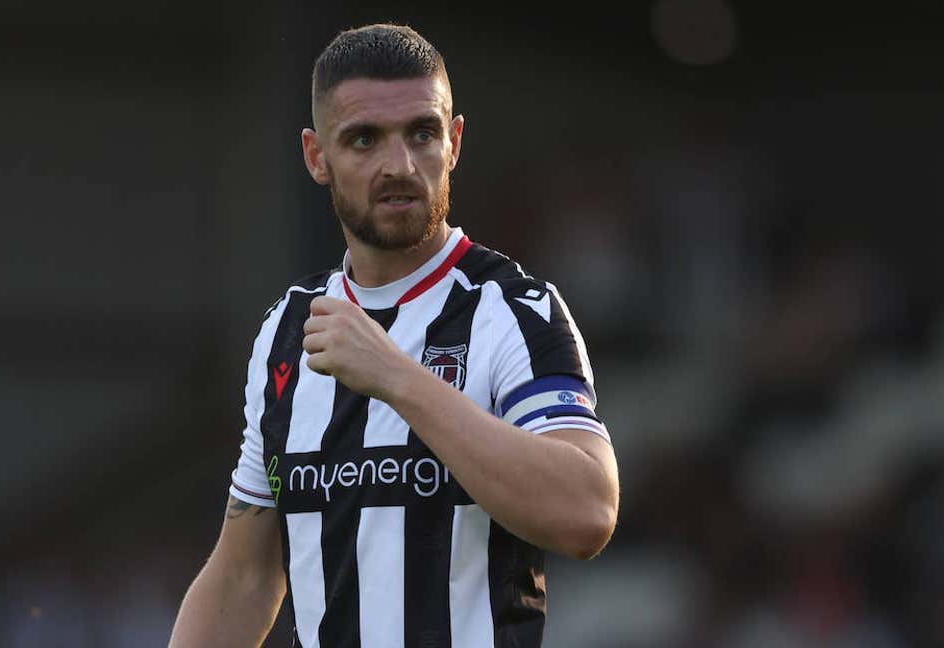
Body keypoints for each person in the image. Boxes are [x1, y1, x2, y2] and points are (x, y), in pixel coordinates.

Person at [168, 23, 619, 648]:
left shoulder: (513, 310)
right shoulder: (286, 329)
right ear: (315, 156)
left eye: (422, 133)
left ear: (454, 141)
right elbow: (244, 576)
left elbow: (587, 513)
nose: (399, 165)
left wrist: (397, 377)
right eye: (363, 140)